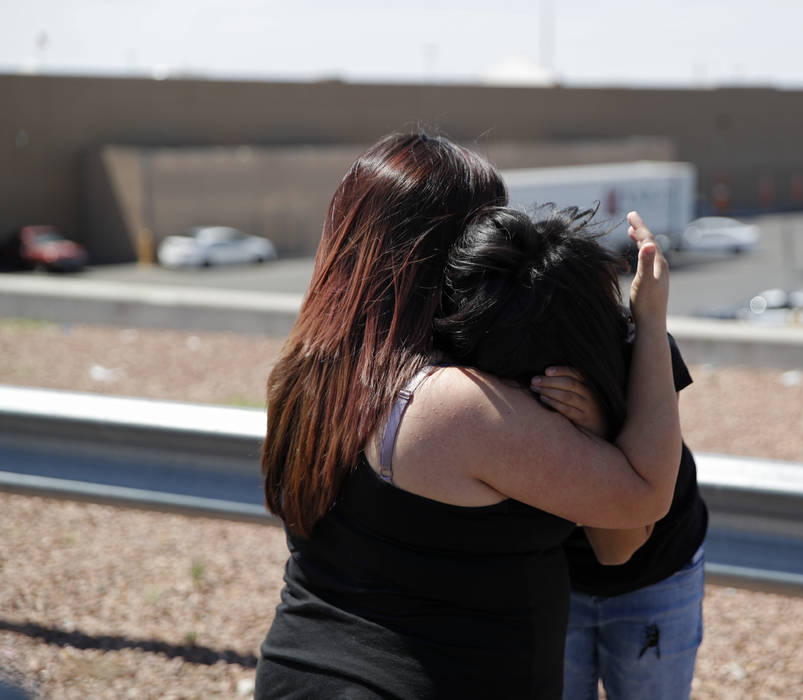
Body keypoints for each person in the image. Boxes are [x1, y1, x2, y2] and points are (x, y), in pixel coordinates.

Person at [254, 132, 680, 699]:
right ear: (443, 252)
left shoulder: (310, 371)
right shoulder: (454, 405)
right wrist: (649, 325)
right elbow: (644, 494)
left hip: (297, 672)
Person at [436, 206, 708, 700]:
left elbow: (618, 547)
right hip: (551, 580)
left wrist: (649, 319)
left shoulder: (635, 349)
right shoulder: (492, 364)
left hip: (654, 573)